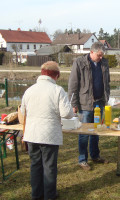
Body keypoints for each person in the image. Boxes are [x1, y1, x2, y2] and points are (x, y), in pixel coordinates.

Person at [21, 61, 74, 200]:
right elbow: (66, 114)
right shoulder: (57, 90)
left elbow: (22, 112)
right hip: (49, 134)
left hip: (32, 134)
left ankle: (36, 195)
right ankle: (49, 196)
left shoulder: (29, 90)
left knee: (35, 166)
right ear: (56, 75)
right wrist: (71, 109)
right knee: (49, 167)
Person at [68, 42, 110, 171]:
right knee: (84, 132)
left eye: (102, 55)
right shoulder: (79, 63)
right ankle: (82, 159)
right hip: (85, 103)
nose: (101, 57)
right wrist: (74, 104)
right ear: (92, 52)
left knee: (96, 131)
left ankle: (95, 155)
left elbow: (107, 81)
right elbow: (73, 85)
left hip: (100, 102)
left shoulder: (104, 63)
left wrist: (106, 97)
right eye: (99, 55)